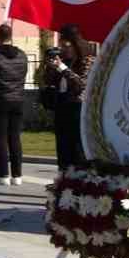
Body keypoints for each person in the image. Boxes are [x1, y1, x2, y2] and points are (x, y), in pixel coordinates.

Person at [0, 23, 28, 185]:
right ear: (11, 36)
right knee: (15, 137)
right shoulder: (22, 55)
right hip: (18, 100)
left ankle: (2, 175)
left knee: (0, 138)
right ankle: (17, 176)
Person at [48, 23, 92, 173]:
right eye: (62, 46)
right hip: (62, 106)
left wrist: (63, 68)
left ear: (75, 45)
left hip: (77, 108)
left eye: (67, 47)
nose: (64, 50)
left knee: (76, 148)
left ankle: (78, 179)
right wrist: (50, 68)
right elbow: (50, 82)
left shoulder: (86, 60)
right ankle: (63, 177)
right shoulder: (63, 61)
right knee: (62, 147)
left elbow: (81, 85)